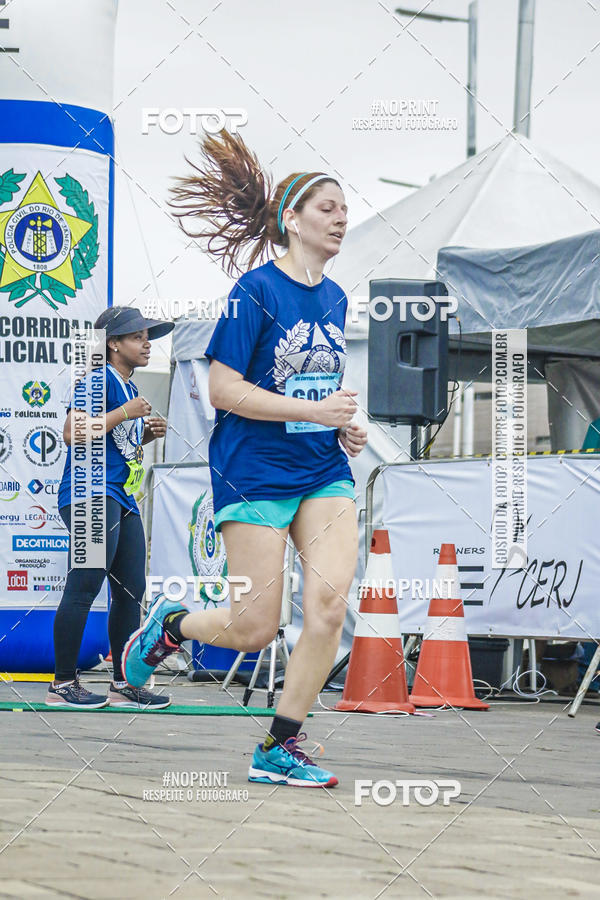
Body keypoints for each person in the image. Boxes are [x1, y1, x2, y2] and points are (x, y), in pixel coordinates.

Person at [122, 130, 368, 787]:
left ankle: (279, 746)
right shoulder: (254, 292)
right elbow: (222, 389)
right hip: (253, 469)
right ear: (292, 220)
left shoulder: (338, 299)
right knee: (254, 627)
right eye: (327, 207)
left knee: (327, 607)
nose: (341, 217)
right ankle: (169, 626)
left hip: (322, 470)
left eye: (345, 208)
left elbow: (306, 387)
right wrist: (312, 412)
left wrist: (344, 428)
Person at [46, 306, 174, 710]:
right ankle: (62, 684)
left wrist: (146, 436)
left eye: (147, 335)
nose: (147, 342)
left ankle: (124, 682)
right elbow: (71, 432)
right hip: (88, 494)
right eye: (137, 336)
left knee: (131, 591)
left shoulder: (127, 387)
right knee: (84, 586)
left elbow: (117, 448)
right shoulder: (98, 379)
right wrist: (124, 414)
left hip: (118, 495)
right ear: (113, 344)